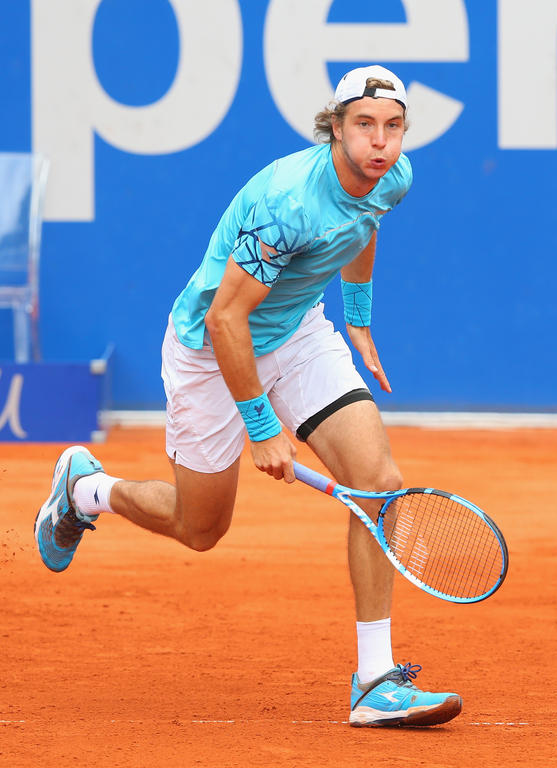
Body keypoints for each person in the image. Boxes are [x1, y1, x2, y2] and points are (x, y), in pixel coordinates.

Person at [34, 65, 461, 728]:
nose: (380, 143)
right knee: (200, 528)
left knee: (379, 484)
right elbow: (224, 321)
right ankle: (86, 490)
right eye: (364, 126)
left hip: (295, 334)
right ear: (336, 128)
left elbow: (363, 227)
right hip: (211, 351)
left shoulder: (393, 177)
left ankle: (376, 680)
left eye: (393, 128)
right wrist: (261, 427)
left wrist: (359, 315)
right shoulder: (288, 202)